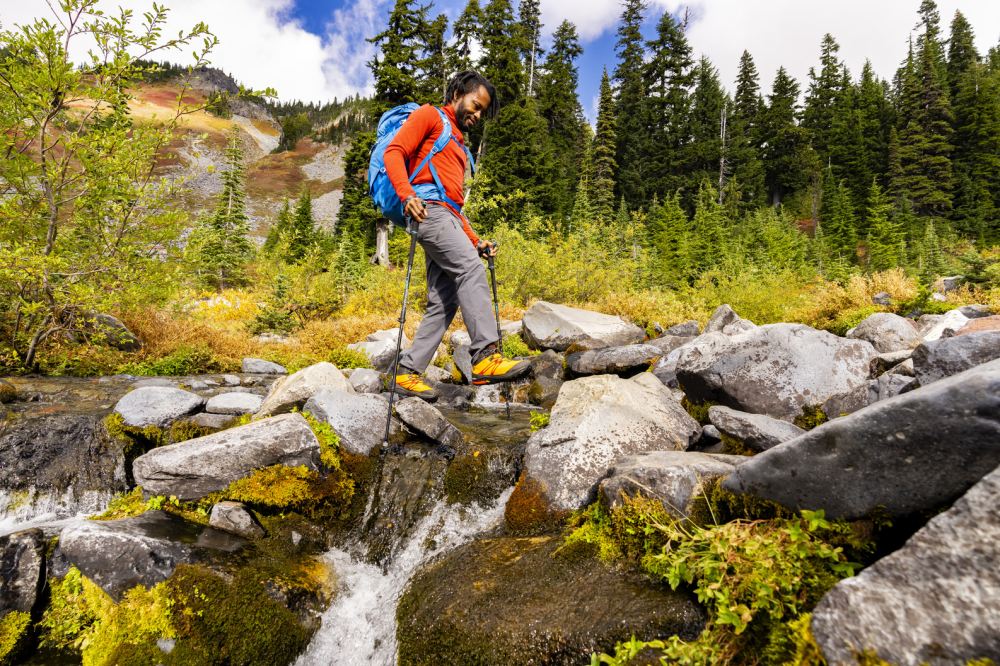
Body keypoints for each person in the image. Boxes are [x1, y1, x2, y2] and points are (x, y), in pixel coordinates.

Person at [383, 70, 531, 400]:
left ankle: (406, 373)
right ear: (457, 93)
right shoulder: (429, 116)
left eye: (482, 112)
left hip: (445, 215)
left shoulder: (458, 144)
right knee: (469, 270)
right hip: (427, 211)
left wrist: (475, 239)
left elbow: (453, 206)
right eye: (475, 105)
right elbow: (394, 152)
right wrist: (407, 195)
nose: (476, 115)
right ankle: (484, 358)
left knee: (444, 299)